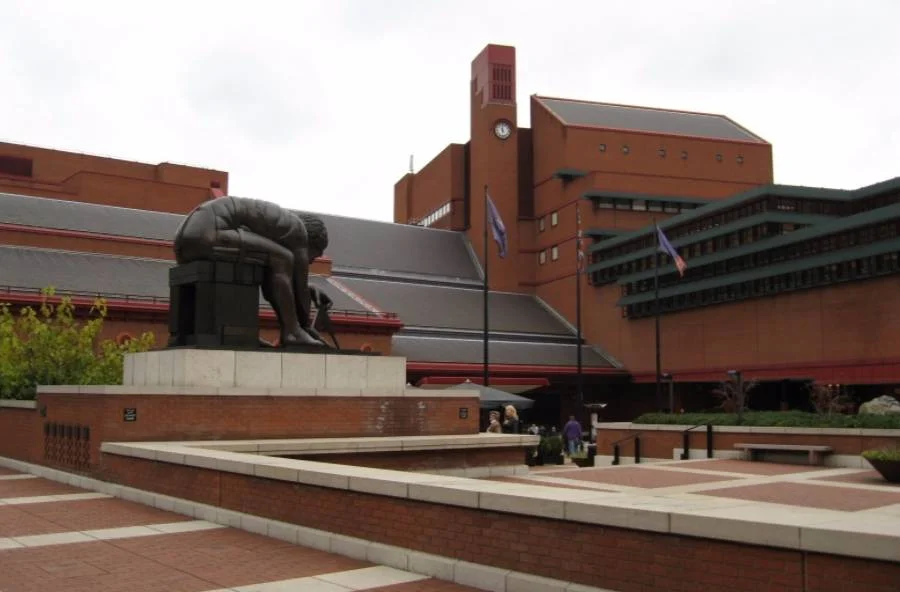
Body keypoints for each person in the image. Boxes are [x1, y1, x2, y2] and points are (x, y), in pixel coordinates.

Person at [174, 195, 329, 347]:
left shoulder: (279, 226)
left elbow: (281, 280)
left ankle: (243, 334)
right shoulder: (299, 231)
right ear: (311, 243)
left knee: (266, 261)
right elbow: (299, 284)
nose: (309, 261)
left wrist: (307, 291)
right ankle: (293, 333)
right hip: (208, 233)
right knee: (283, 259)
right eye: (313, 256)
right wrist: (305, 326)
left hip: (183, 240)